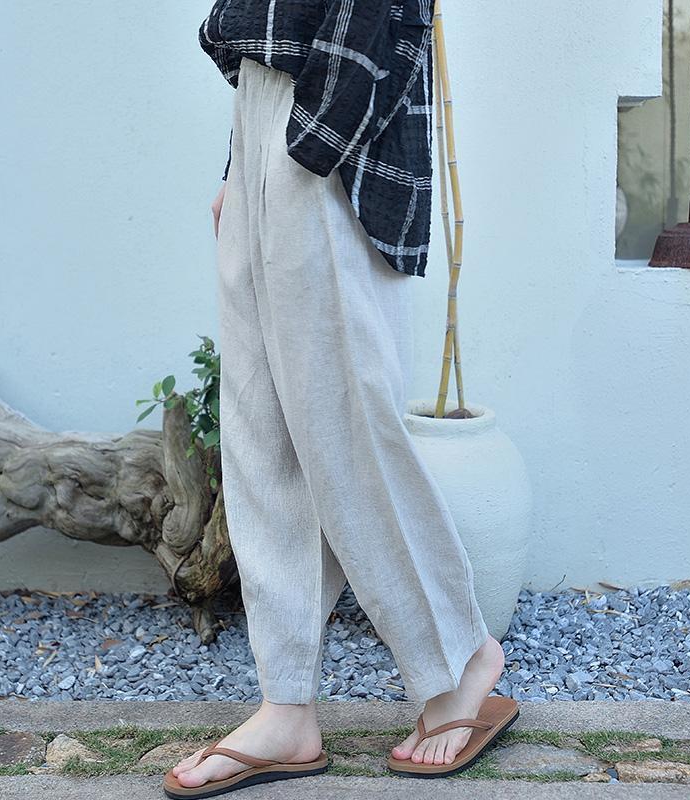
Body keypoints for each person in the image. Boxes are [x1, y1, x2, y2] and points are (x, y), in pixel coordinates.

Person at [163, 2, 517, 797]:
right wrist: (240, 161)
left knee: (348, 429)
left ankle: (461, 660)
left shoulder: (322, 131)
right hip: (266, 103)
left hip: (326, 122)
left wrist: (309, 145)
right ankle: (286, 705)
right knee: (262, 433)